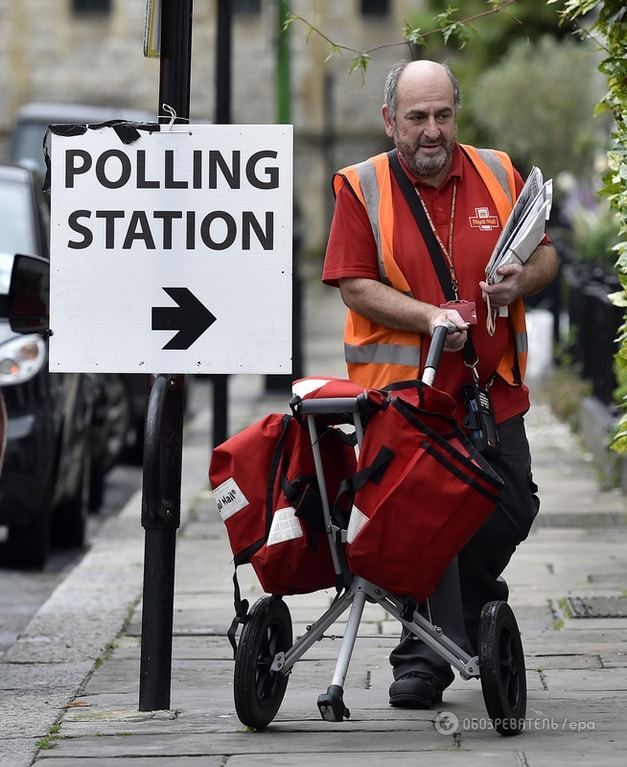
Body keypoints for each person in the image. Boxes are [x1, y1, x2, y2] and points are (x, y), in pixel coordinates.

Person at [322, 59, 559, 709]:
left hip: (490, 391)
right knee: (426, 523)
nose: (432, 131)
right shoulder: (360, 186)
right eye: (417, 118)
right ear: (389, 120)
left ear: (457, 111)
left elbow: (545, 254)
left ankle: (475, 607)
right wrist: (428, 316)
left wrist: (522, 278)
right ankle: (423, 655)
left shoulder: (498, 172)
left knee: (510, 507)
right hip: (406, 397)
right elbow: (353, 283)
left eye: (443, 115)